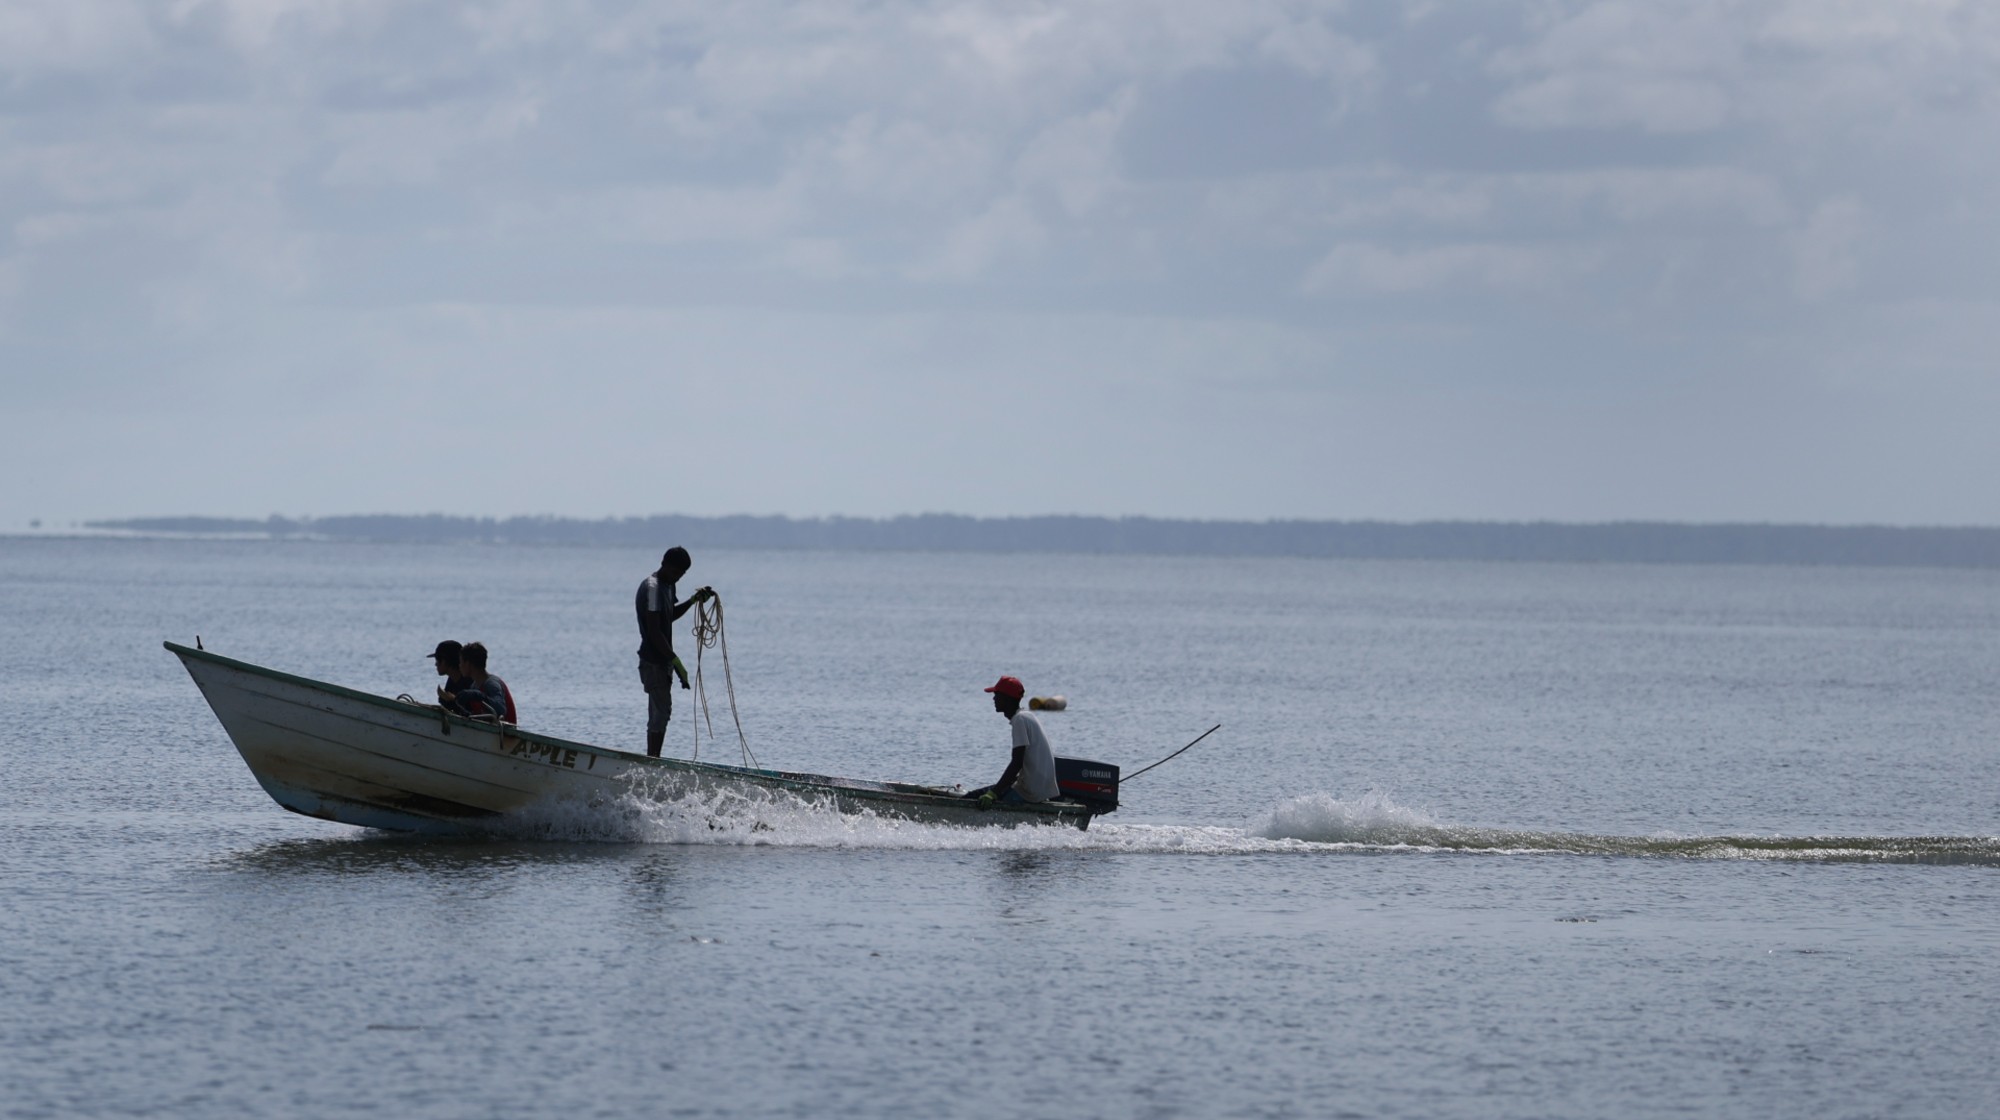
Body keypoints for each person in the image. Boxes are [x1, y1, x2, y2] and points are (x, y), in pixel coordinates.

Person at [636, 546, 713, 757]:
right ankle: (653, 761)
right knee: (660, 712)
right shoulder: (653, 588)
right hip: (653, 660)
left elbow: (667, 616)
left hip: (664, 660)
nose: (678, 577)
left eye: (682, 574)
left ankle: (654, 759)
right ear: (665, 564)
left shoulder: (669, 586)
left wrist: (693, 601)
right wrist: (676, 661)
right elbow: (654, 631)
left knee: (663, 711)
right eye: (676, 572)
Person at [966, 675, 1059, 806]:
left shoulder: (1019, 720)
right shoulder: (1028, 716)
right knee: (983, 793)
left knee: (971, 798)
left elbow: (1017, 763)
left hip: (1028, 792)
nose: (993, 698)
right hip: (1039, 790)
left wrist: (993, 793)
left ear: (1006, 698)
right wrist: (996, 789)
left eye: (996, 694)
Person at [441, 641, 516, 723]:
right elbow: (474, 715)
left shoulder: (491, 684)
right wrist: (453, 703)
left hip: (505, 733)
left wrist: (478, 695)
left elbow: (501, 709)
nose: (459, 665)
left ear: (468, 664)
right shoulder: (474, 685)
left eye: (461, 662)